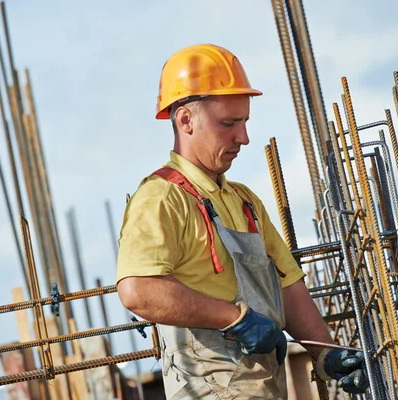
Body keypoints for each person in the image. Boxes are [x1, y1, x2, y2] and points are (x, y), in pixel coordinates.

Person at [116, 43, 367, 399]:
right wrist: (235, 318)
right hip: (208, 387)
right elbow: (138, 290)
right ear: (185, 120)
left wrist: (326, 352)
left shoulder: (243, 200)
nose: (243, 138)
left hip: (261, 386)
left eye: (245, 122)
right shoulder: (162, 198)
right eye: (229, 124)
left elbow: (288, 286)